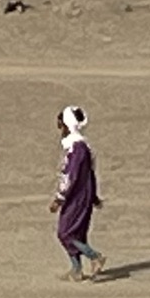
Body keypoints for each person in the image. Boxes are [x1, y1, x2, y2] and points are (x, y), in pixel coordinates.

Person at [51, 105, 104, 280]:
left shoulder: (78, 149)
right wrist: (94, 196)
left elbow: (71, 175)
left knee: (65, 233)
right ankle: (76, 270)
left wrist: (59, 198)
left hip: (77, 196)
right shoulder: (81, 147)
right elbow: (91, 173)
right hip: (84, 194)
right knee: (77, 233)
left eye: (62, 125)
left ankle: (94, 256)